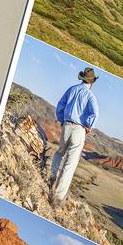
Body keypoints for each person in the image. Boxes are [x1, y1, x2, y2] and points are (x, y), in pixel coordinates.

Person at [49, 67, 99, 204]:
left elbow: (60, 105)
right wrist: (88, 127)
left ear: (82, 78)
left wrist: (62, 119)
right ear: (91, 82)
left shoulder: (71, 89)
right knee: (70, 164)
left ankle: (51, 177)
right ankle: (57, 197)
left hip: (66, 126)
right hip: (79, 129)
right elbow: (95, 113)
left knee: (59, 153)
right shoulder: (90, 96)